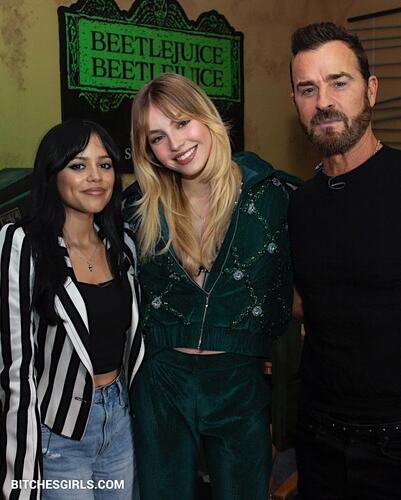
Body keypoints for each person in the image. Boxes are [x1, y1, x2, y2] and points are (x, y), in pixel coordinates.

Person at [123, 72, 299, 500]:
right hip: (161, 381)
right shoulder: (138, 206)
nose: (175, 144)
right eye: (157, 138)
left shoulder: (269, 194)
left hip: (239, 381)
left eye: (182, 123)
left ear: (206, 116)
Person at [0, 119, 144, 499]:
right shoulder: (22, 244)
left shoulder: (123, 244)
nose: (96, 176)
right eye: (78, 165)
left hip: (120, 422)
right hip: (60, 432)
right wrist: (20, 475)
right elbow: (15, 368)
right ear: (52, 174)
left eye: (105, 164)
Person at [288, 22, 401, 499]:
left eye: (339, 82)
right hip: (318, 439)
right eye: (307, 89)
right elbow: (305, 302)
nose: (323, 102)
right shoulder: (300, 203)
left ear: (370, 90)